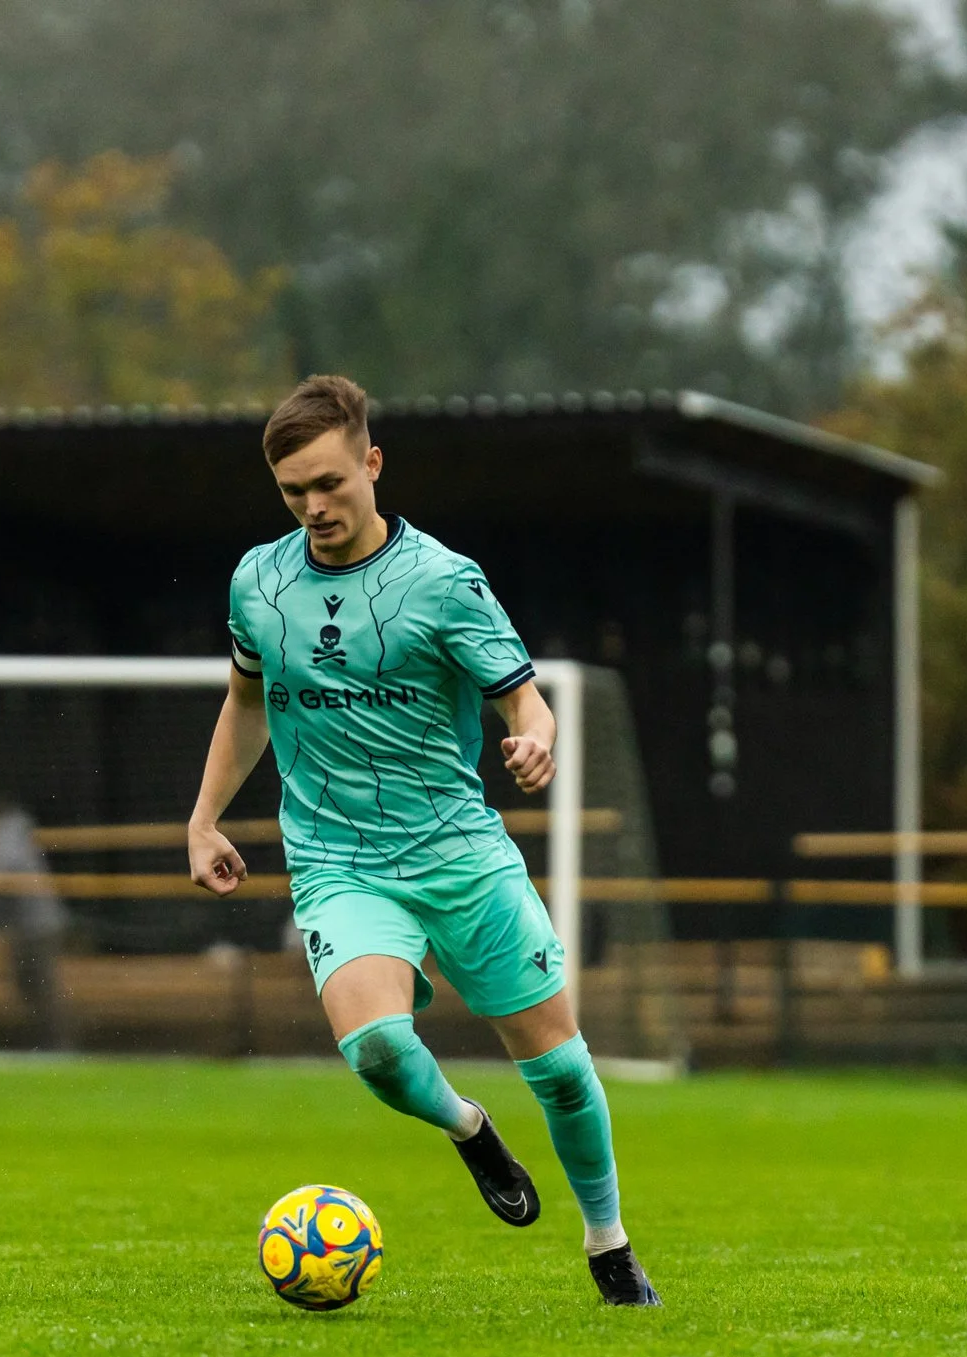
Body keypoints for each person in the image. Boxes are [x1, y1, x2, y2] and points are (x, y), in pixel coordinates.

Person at [186, 373, 657, 1306]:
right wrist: (203, 820)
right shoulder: (258, 582)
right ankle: (469, 1128)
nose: (314, 506)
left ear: (372, 463)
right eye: (293, 491)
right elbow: (247, 703)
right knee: (376, 1050)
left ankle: (609, 1245)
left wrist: (537, 739)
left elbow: (523, 696)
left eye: (330, 483)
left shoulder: (442, 582)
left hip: (458, 854)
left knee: (561, 1070)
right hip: (338, 860)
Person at [0, 799, 72, 1050]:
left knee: (43, 989)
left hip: (41, 927)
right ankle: (49, 1044)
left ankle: (60, 1045)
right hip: (28, 929)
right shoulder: (3, 840)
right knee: (28, 986)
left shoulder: (7, 838)